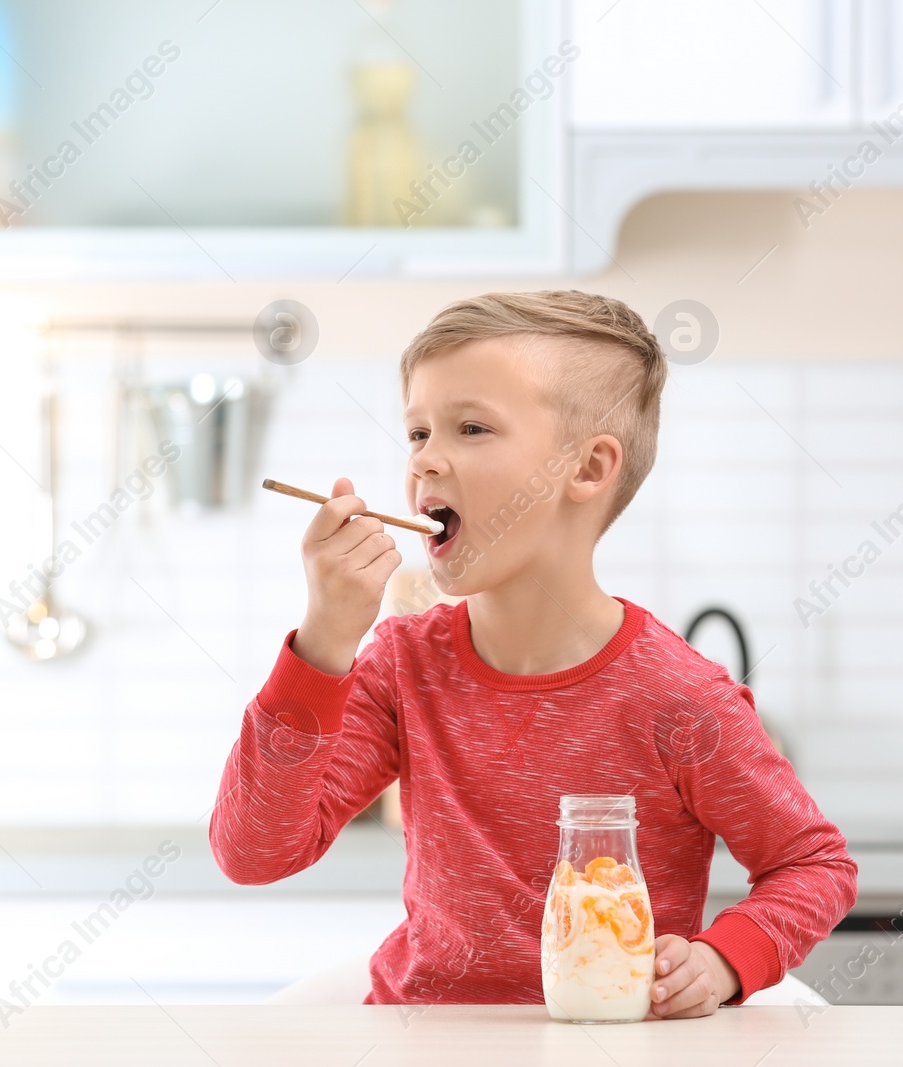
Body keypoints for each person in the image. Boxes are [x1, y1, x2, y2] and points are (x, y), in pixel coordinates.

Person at [212, 290, 856, 1018]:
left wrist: (723, 958)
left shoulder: (677, 697)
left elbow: (814, 865)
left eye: (472, 427)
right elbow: (254, 850)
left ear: (587, 469)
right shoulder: (404, 666)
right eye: (418, 432)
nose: (427, 462)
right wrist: (324, 640)